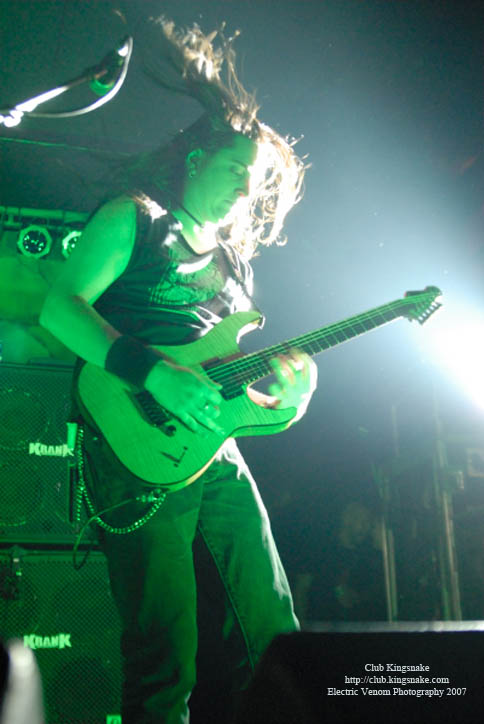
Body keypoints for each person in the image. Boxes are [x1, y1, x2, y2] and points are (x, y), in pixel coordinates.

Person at [40, 18, 317, 724]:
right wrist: (157, 374)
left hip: (211, 447)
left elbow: (229, 377)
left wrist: (287, 399)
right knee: (164, 657)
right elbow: (60, 310)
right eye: (234, 172)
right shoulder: (134, 218)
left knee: (272, 624)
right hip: (130, 438)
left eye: (254, 183)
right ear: (196, 160)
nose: (245, 191)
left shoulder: (235, 268)